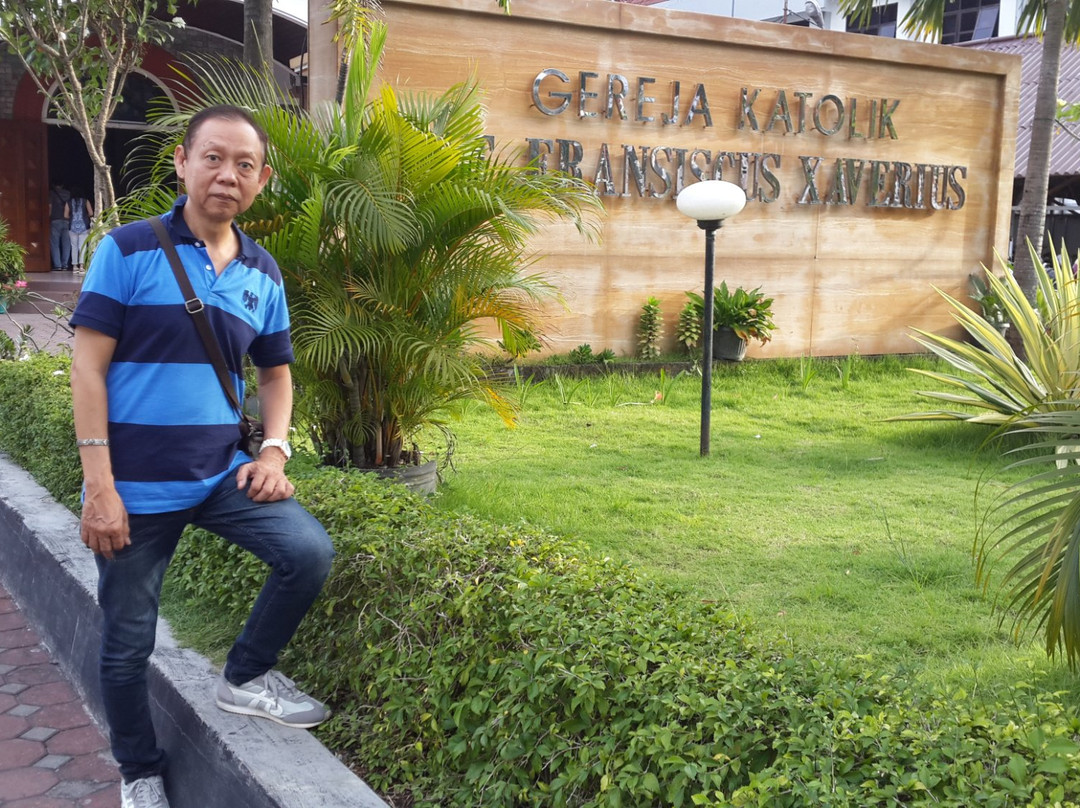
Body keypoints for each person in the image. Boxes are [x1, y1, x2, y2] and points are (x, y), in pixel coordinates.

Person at [69, 105, 335, 808]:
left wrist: (273, 451)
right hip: (134, 493)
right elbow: (87, 369)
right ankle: (139, 770)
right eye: (213, 158)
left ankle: (244, 679)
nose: (228, 175)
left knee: (306, 551)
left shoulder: (263, 271)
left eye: (244, 165)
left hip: (220, 475)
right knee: (128, 646)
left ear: (262, 179)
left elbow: (276, 373)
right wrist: (100, 487)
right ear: (183, 163)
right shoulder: (126, 250)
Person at [67, 189, 94, 272]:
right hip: (84, 226)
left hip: (72, 227)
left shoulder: (68, 202)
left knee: (74, 246)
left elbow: (65, 215)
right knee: (82, 246)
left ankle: (75, 266)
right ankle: (82, 266)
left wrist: (72, 218)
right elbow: (91, 213)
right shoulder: (86, 201)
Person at [48, 181, 71, 270]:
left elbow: (49, 207)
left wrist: (47, 218)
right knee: (66, 244)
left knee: (55, 244)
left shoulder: (51, 193)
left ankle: (58, 265)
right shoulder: (68, 193)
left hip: (55, 220)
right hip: (66, 221)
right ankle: (65, 265)